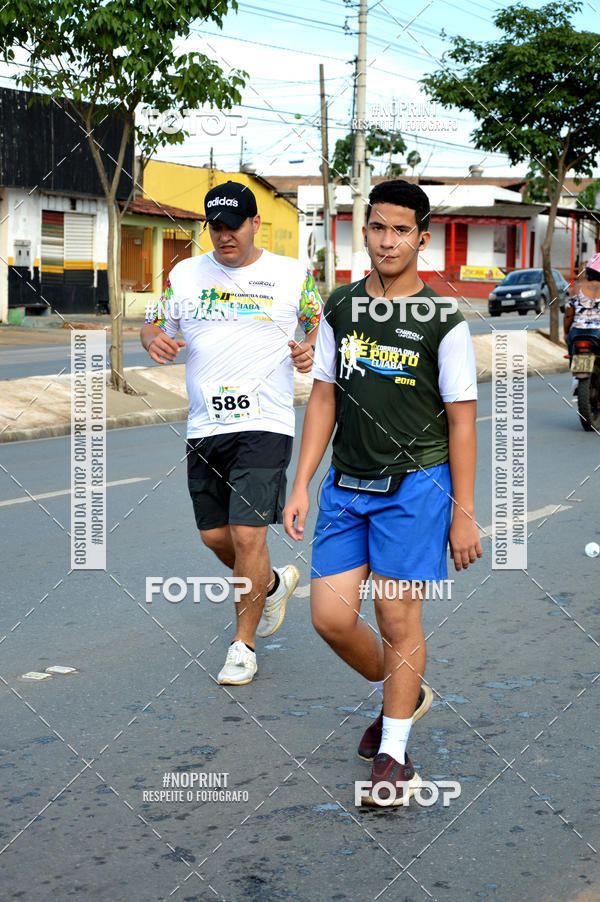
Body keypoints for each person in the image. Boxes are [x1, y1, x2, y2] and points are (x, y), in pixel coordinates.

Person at [283, 179, 482, 806]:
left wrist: (464, 513)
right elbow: (322, 399)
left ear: (422, 238)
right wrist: (302, 483)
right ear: (363, 232)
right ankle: (407, 690)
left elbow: (463, 420)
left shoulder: (445, 323)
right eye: (377, 227)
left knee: (397, 616)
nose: (387, 240)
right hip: (348, 484)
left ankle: (395, 755)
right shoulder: (340, 308)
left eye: (401, 230)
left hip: (417, 488)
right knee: (331, 618)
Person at [140, 180, 323, 685]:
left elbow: (314, 324)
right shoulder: (185, 274)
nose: (224, 237)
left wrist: (307, 350)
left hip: (264, 423)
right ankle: (268, 586)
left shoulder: (290, 276)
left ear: (254, 224)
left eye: (233, 226)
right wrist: (153, 337)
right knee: (214, 536)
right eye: (215, 228)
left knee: (247, 533)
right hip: (206, 426)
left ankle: (243, 645)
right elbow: (154, 324)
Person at [564, 253, 600, 391]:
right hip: (598, 334)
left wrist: (567, 333)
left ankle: (576, 380)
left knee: (574, 347)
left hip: (578, 333)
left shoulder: (577, 288)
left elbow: (568, 315)